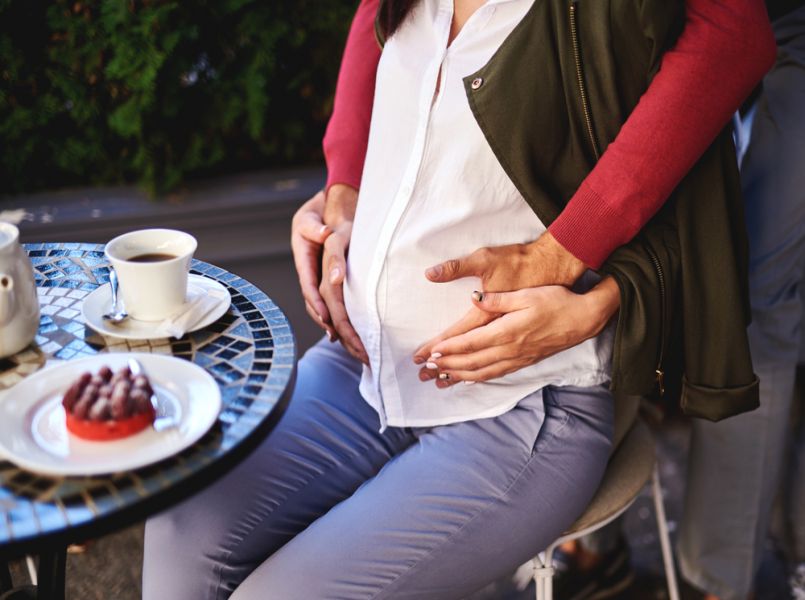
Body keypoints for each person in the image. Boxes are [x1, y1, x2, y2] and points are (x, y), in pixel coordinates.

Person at [142, 2, 772, 599]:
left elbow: (731, 35)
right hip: (360, 367)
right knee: (180, 529)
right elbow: (373, 21)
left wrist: (565, 252)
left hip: (519, 407)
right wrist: (343, 191)